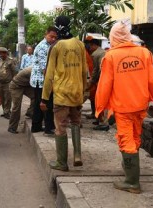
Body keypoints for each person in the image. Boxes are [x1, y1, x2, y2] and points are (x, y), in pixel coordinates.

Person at [95, 21, 153, 194]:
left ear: (113, 38)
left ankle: (132, 182)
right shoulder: (144, 53)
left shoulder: (110, 57)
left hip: (123, 107)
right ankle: (129, 168)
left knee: (126, 140)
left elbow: (104, 85)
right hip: (140, 106)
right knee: (135, 137)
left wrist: (99, 108)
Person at [41, 16, 87, 171]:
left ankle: (62, 162)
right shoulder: (80, 45)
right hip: (76, 93)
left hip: (61, 94)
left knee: (60, 127)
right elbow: (84, 71)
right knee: (75, 123)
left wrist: (44, 98)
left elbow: (49, 75)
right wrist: (82, 92)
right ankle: (77, 155)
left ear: (57, 27)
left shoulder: (56, 47)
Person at [30, 26, 57, 135]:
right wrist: (50, 82)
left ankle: (36, 126)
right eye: (51, 36)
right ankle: (49, 128)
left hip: (40, 80)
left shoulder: (49, 46)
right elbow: (44, 68)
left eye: (55, 37)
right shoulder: (42, 47)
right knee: (47, 104)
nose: (53, 39)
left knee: (38, 104)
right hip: (41, 80)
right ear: (46, 35)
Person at [86, 37, 109, 131]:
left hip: (102, 80)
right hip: (106, 79)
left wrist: (92, 82)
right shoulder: (103, 52)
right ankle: (99, 119)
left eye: (90, 46)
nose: (89, 48)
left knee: (101, 101)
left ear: (93, 45)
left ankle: (104, 122)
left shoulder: (96, 54)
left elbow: (96, 70)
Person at [8, 67, 34, 134]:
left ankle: (30, 112)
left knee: (35, 97)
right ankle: (12, 127)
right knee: (16, 107)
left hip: (25, 85)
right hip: (16, 86)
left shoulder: (34, 69)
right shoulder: (31, 71)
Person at [0, 47, 17, 119]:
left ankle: (7, 112)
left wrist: (14, 82)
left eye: (2, 53)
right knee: (2, 98)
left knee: (8, 98)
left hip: (8, 83)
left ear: (5, 53)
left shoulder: (11, 61)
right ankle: (5, 111)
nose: (0, 55)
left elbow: (15, 72)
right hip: (0, 83)